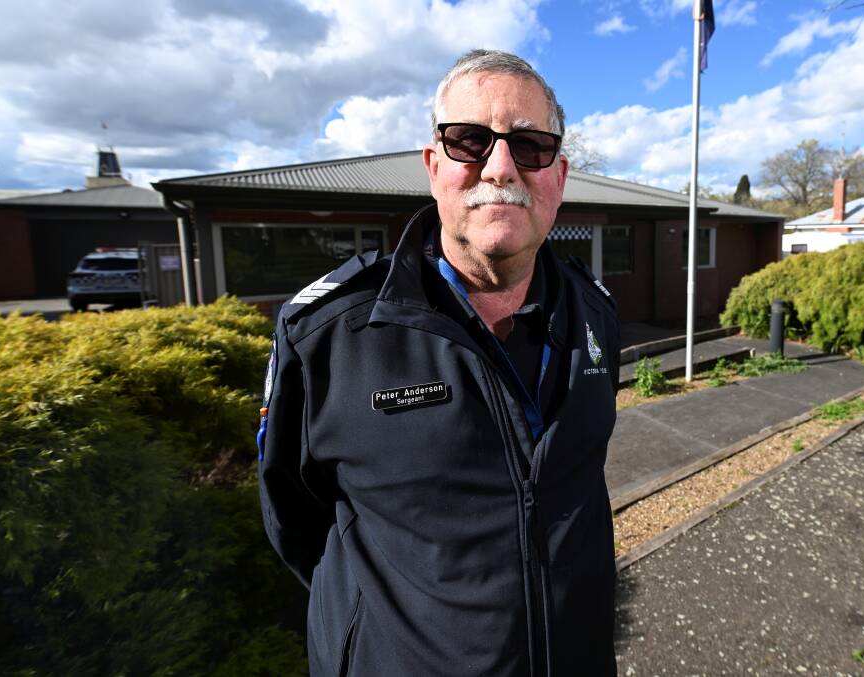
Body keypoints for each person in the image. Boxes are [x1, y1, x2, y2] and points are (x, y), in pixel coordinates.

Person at [257, 50, 619, 676]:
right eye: (470, 141)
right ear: (433, 165)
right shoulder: (328, 335)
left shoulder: (595, 314)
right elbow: (297, 521)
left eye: (530, 145)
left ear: (558, 177)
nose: (501, 166)